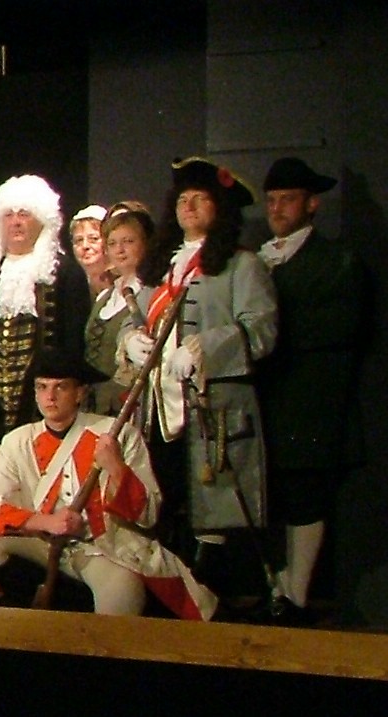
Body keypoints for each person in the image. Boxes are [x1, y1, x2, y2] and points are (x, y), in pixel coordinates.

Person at [0, 350, 214, 619]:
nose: (50, 396)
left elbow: (148, 514)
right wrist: (46, 522)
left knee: (122, 593)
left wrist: (116, 467)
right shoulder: (17, 441)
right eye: (42, 387)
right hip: (41, 543)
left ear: (80, 393)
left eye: (60, 387)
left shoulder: (118, 433)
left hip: (103, 549)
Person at [129, 158, 277, 591]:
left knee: (213, 512)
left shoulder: (241, 265)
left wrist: (204, 349)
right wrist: (129, 340)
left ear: (220, 208)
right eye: (182, 199)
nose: (188, 206)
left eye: (199, 198)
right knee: (165, 504)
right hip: (159, 411)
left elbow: (261, 330)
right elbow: (137, 319)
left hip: (211, 411)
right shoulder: (163, 266)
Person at [255, 157, 362, 621]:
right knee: (269, 499)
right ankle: (278, 590)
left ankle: (297, 595)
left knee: (305, 497)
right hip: (265, 403)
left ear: (311, 204)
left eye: (289, 199)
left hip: (309, 403)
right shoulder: (257, 260)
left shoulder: (336, 261)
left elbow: (342, 328)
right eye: (272, 200)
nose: (278, 208)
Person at [0, 174, 91, 438]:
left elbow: (74, 341)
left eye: (24, 214)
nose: (16, 222)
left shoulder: (65, 273)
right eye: (9, 215)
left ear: (43, 219)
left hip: (45, 407)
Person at [83, 203, 157, 415]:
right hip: (94, 405)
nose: (120, 249)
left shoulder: (151, 293)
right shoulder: (106, 296)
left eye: (128, 241)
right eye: (113, 243)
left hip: (129, 406)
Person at [71, 205, 112, 296]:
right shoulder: (73, 286)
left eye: (94, 239)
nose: (85, 246)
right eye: (79, 240)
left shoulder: (121, 285)